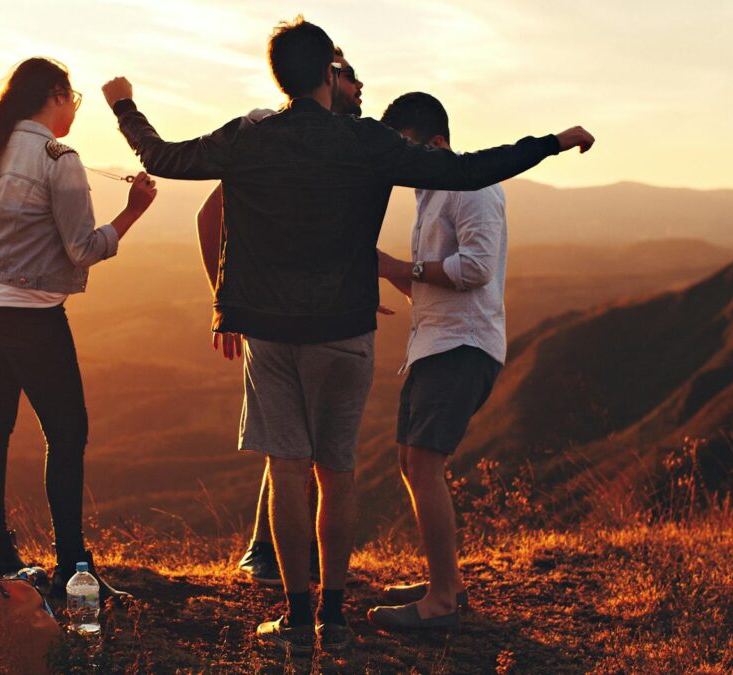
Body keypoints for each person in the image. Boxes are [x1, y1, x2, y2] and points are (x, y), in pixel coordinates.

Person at [103, 16, 593, 654]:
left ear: (281, 76)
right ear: (329, 76)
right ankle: (334, 615)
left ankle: (297, 619)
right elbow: (470, 170)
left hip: (272, 331)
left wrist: (124, 107)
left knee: (287, 472)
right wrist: (551, 142)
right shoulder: (364, 142)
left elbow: (165, 157)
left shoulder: (249, 138)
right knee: (337, 473)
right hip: (345, 329)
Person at [0, 57, 157, 601]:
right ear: (55, 96)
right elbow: (83, 248)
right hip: (30, 309)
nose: (74, 111)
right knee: (67, 432)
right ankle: (74, 568)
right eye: (73, 100)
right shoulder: (58, 158)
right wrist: (134, 210)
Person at [195, 46, 367, 589]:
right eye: (350, 74)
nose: (362, 87)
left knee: (299, 446)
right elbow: (210, 214)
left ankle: (286, 565)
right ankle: (270, 556)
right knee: (292, 447)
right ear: (325, 77)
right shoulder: (268, 133)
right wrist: (226, 303)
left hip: (313, 312)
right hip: (274, 316)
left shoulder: (335, 145)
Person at [366, 92, 511, 630]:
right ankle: (443, 580)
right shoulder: (430, 193)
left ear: (437, 142)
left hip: (462, 346)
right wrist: (385, 271)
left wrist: (403, 265)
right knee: (411, 462)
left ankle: (442, 602)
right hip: (434, 343)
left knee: (424, 465)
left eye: (403, 147)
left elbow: (473, 269)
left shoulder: (469, 186)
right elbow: (430, 282)